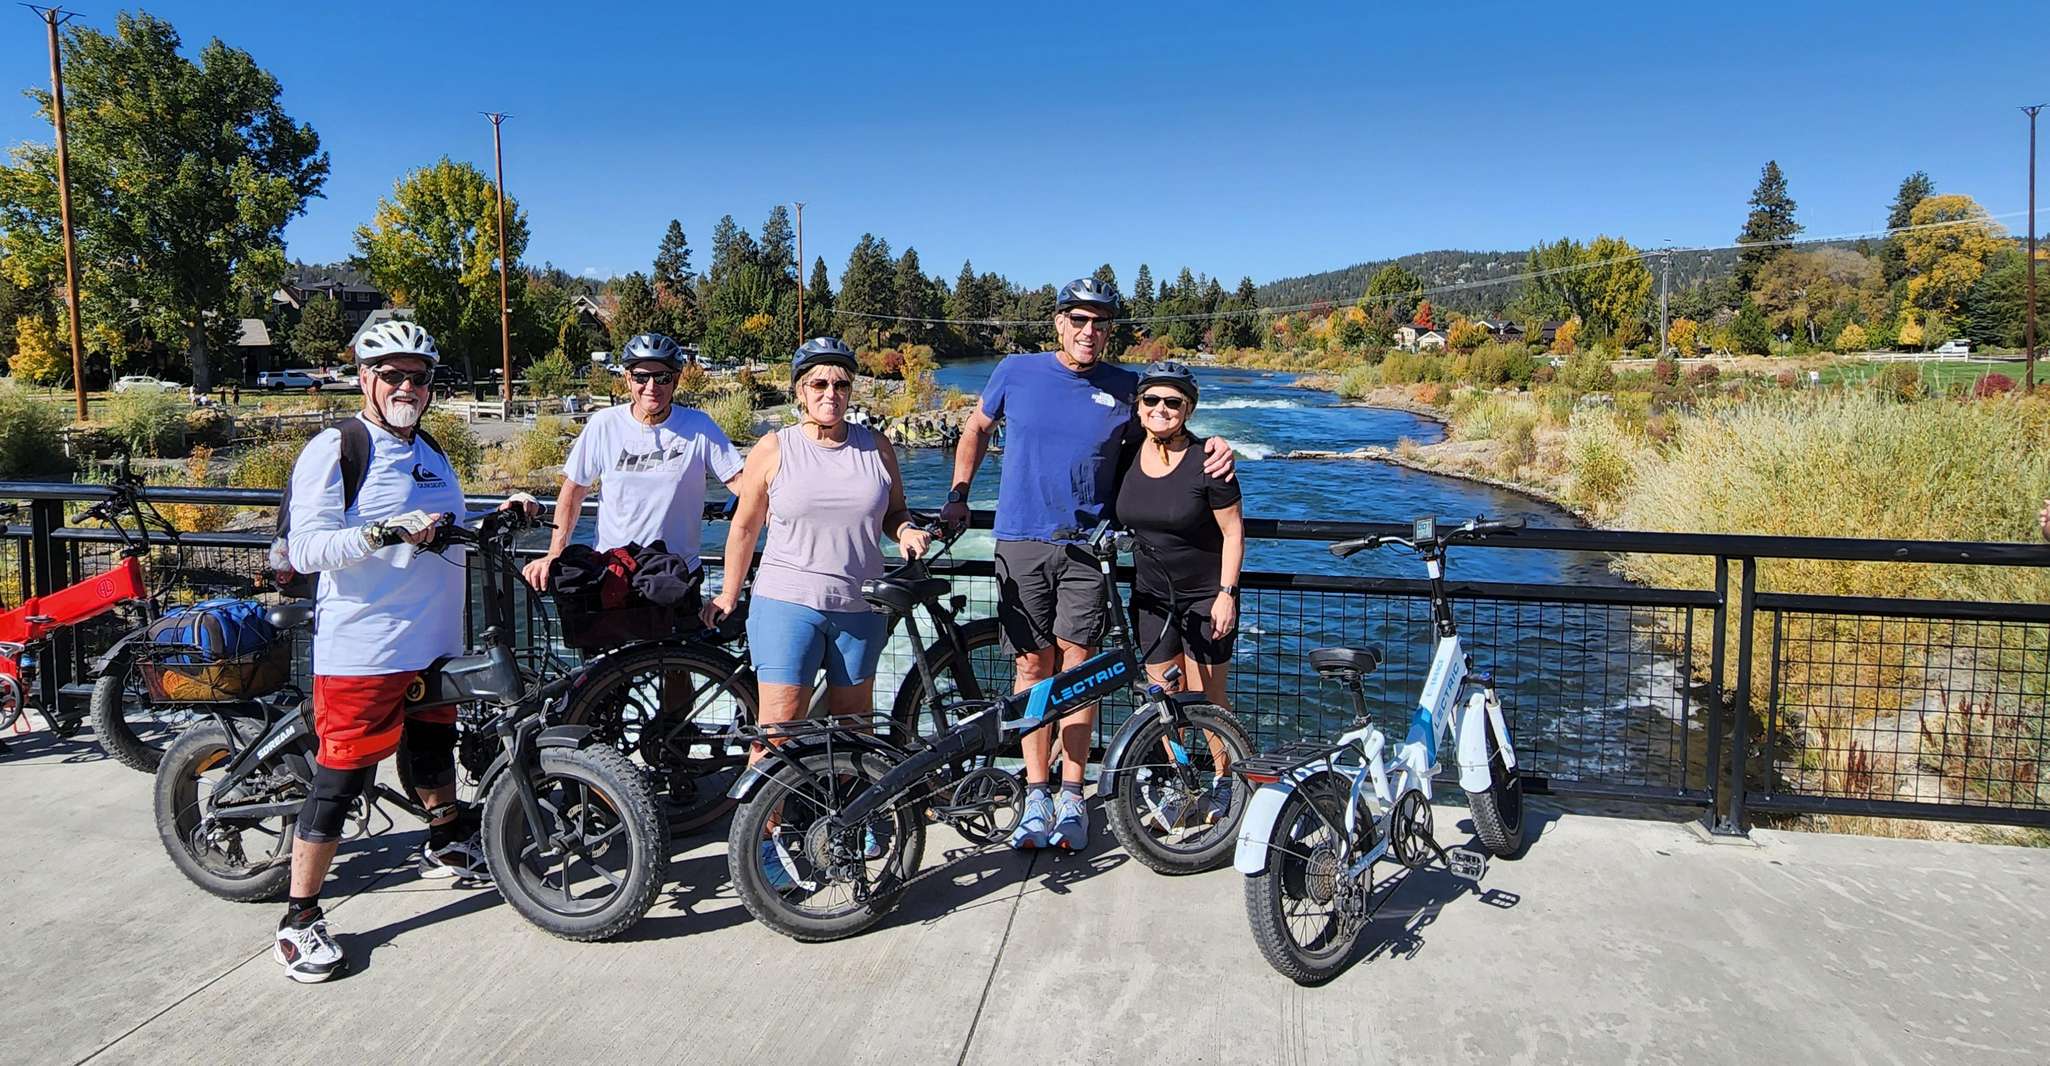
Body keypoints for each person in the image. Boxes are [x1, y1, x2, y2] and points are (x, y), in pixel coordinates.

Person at [272, 320, 535, 983]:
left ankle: (445, 841)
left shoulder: (431, 450)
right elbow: (308, 547)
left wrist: (496, 513)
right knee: (342, 779)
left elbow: (441, 524)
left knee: (431, 748)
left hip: (433, 640)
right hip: (365, 646)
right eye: (393, 375)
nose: (408, 388)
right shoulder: (337, 448)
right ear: (365, 377)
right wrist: (384, 532)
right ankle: (299, 919)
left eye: (419, 378)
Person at [939, 278, 1235, 852]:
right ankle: (1036, 792)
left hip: (1088, 549)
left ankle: (1073, 792)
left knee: (1079, 675)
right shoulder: (1015, 372)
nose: (1088, 330)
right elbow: (976, 427)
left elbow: (1164, 422)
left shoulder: (1127, 386)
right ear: (1058, 322)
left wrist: (1211, 444)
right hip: (1021, 541)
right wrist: (957, 494)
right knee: (1032, 670)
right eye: (1078, 319)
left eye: (1099, 321)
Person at [702, 337, 929, 886]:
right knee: (778, 731)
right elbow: (744, 527)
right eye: (819, 384)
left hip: (861, 604)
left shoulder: (875, 446)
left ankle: (853, 821)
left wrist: (906, 531)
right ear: (800, 391)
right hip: (788, 604)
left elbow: (893, 511)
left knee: (854, 729)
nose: (831, 393)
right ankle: (762, 840)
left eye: (841, 384)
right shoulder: (775, 448)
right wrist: (730, 594)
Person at [1115, 360, 1245, 827]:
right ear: (1140, 405)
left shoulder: (1208, 460)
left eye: (1173, 401)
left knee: (1208, 699)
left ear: (1188, 408)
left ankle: (1228, 783)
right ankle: (1183, 786)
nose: (1161, 409)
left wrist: (1227, 593)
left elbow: (1233, 533)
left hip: (1205, 597)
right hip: (1151, 598)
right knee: (1163, 698)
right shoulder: (1126, 451)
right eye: (1152, 400)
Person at [521, 333, 744, 602]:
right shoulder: (604, 425)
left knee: (680, 645)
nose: (651, 386)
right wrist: (555, 553)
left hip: (676, 575)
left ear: (676, 379)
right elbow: (574, 491)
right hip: (616, 573)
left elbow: (739, 481)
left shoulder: (699, 427)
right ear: (628, 378)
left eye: (662, 377)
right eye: (641, 377)